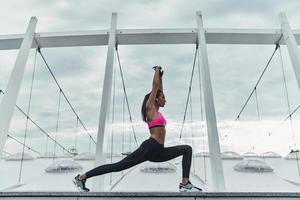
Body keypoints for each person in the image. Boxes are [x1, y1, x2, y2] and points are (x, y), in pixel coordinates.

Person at [73, 66, 202, 192]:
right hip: (150, 147)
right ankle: (81, 177)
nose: (165, 100)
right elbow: (155, 87)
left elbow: (159, 89)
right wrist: (156, 70)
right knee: (118, 166)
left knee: (187, 150)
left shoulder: (157, 110)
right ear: (156, 99)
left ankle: (185, 183)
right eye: (163, 98)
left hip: (158, 151)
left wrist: (161, 77)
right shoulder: (150, 108)